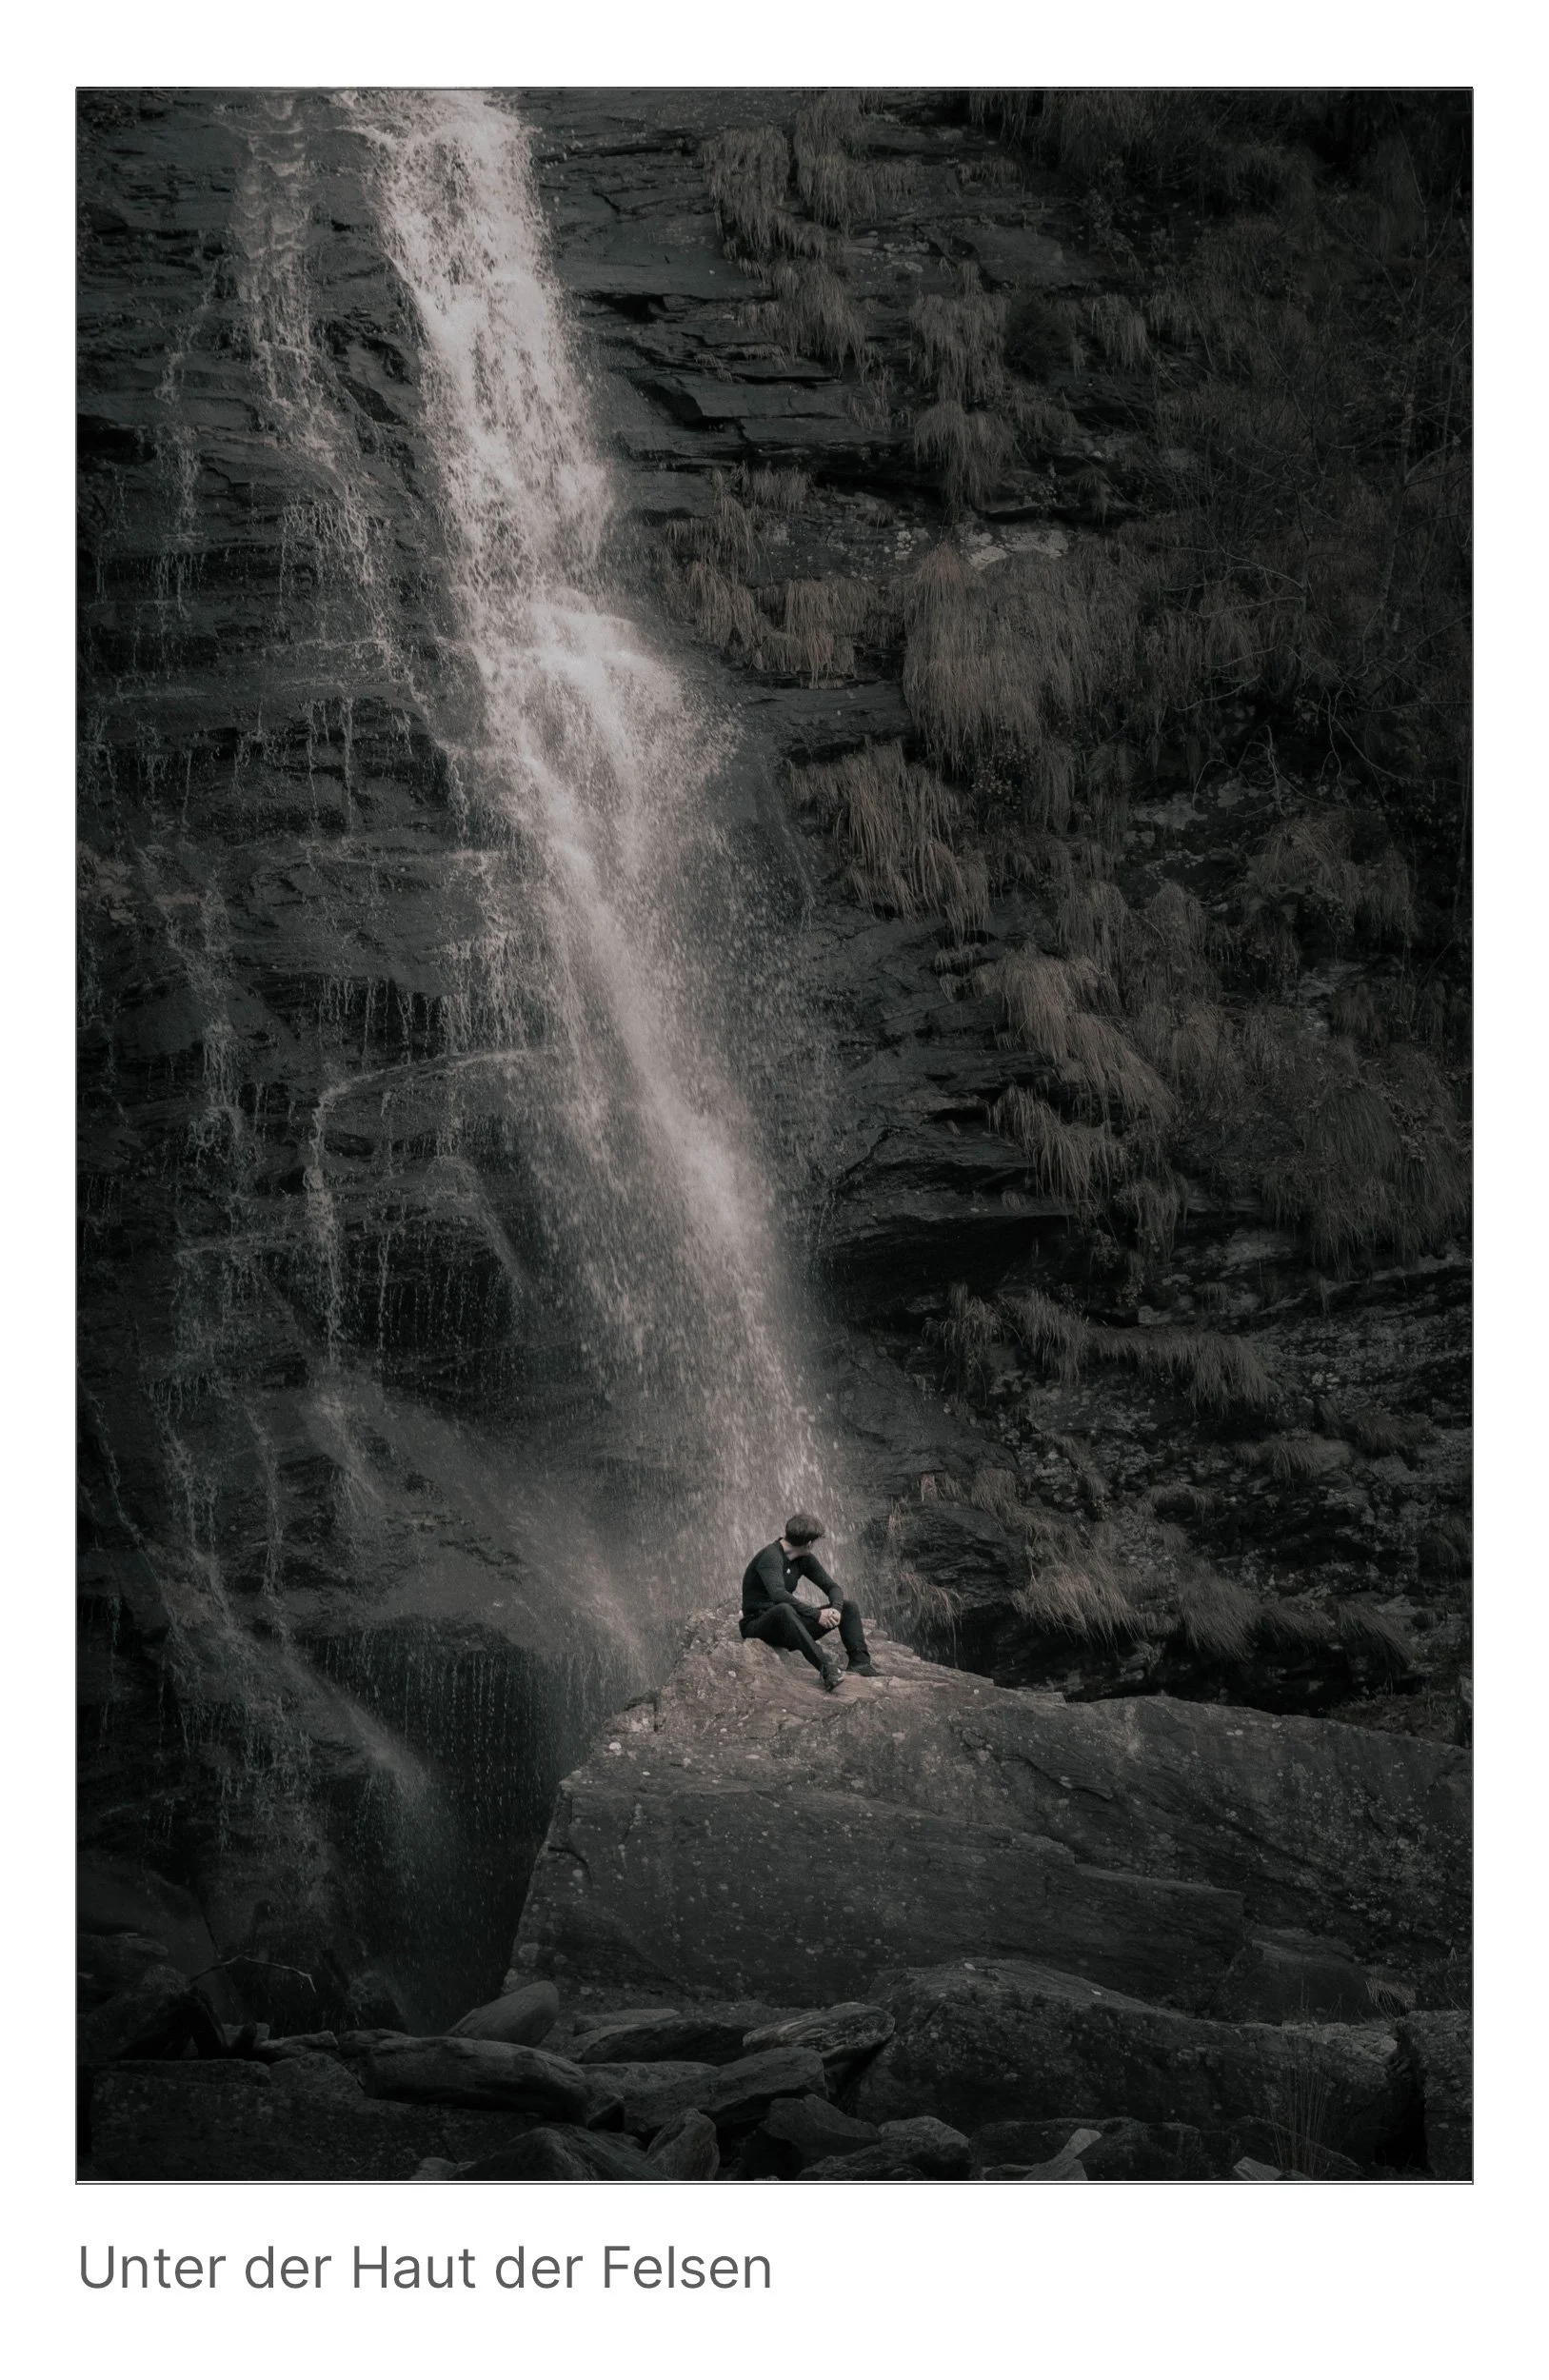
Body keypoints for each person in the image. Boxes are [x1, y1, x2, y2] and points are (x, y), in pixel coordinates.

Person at [740, 1512, 876, 1691]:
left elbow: (832, 1587)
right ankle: (826, 1667)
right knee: (784, 1609)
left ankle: (861, 1663)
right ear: (809, 1544)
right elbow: (778, 1595)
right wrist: (817, 1614)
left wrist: (836, 1608)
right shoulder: (770, 1556)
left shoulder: (804, 1559)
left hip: (790, 1627)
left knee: (848, 1607)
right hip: (758, 1626)